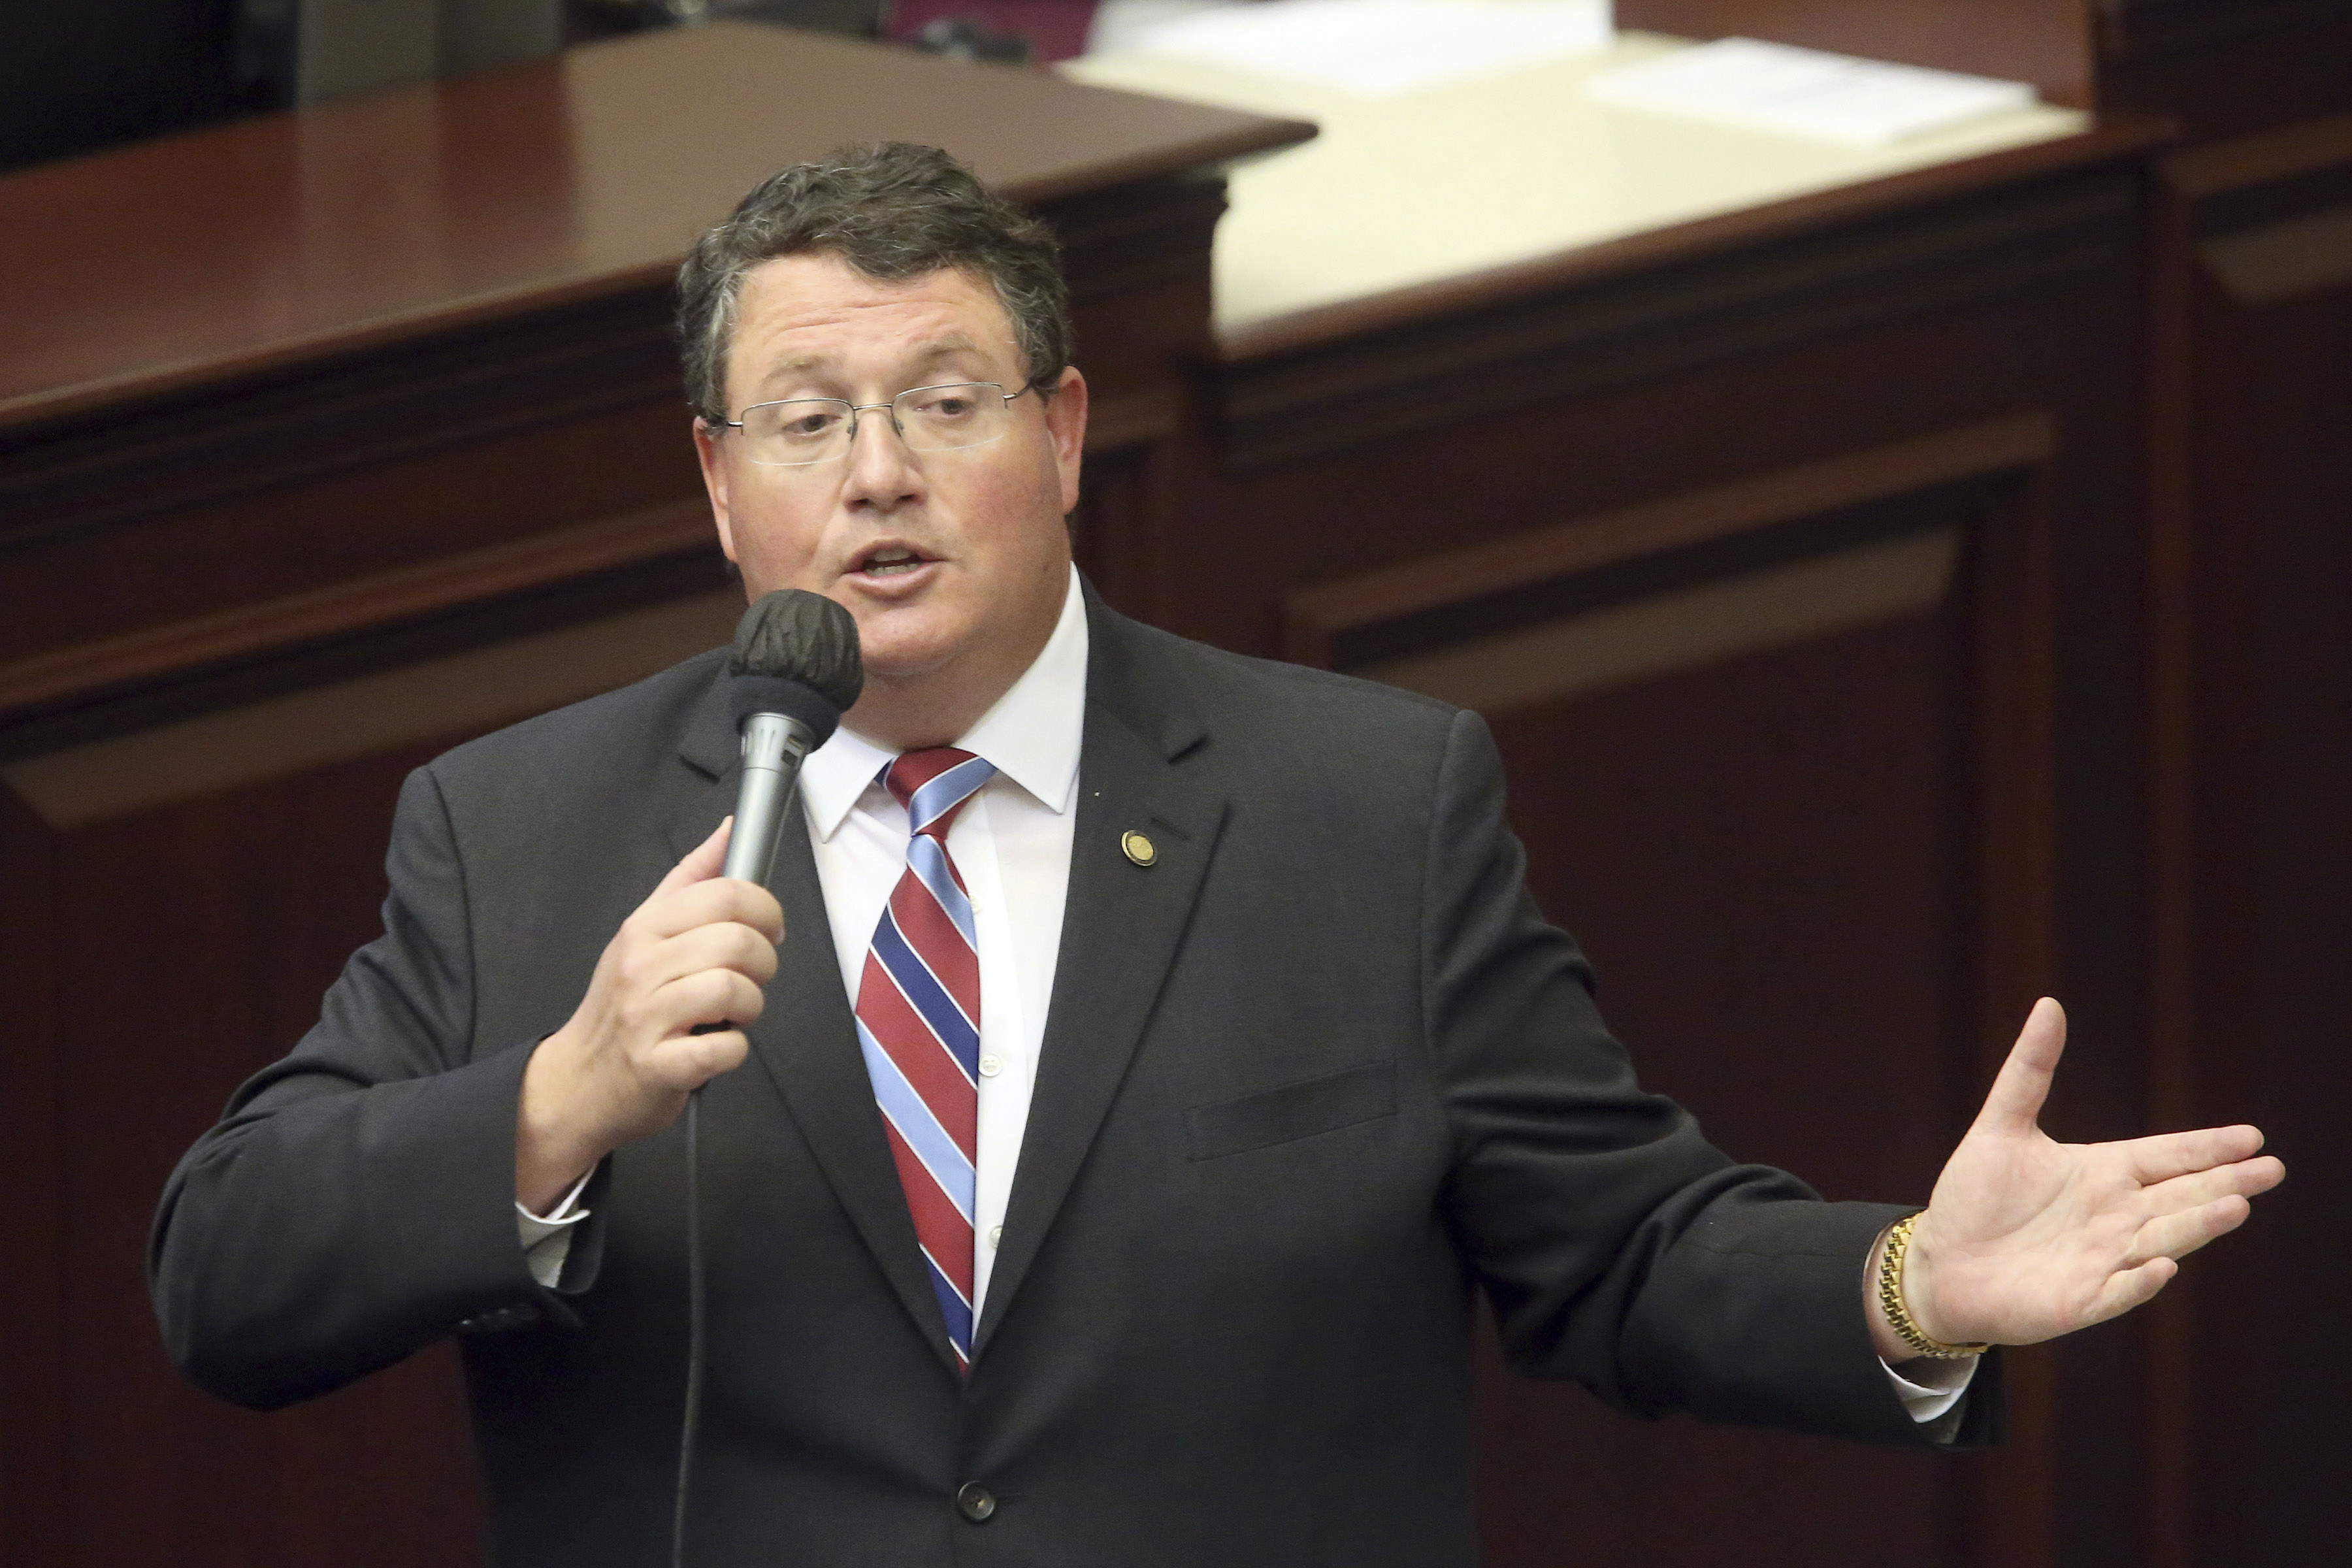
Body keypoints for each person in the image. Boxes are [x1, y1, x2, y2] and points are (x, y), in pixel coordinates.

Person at [151, 143, 2283, 1567]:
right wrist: (555, 1103)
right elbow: (225, 1277)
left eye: (947, 404)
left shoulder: (1365, 805)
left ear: (1065, 438)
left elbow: (1619, 1253)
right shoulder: (522, 834)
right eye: (808, 422)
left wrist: (1918, 1280)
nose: (877, 479)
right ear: (720, 484)